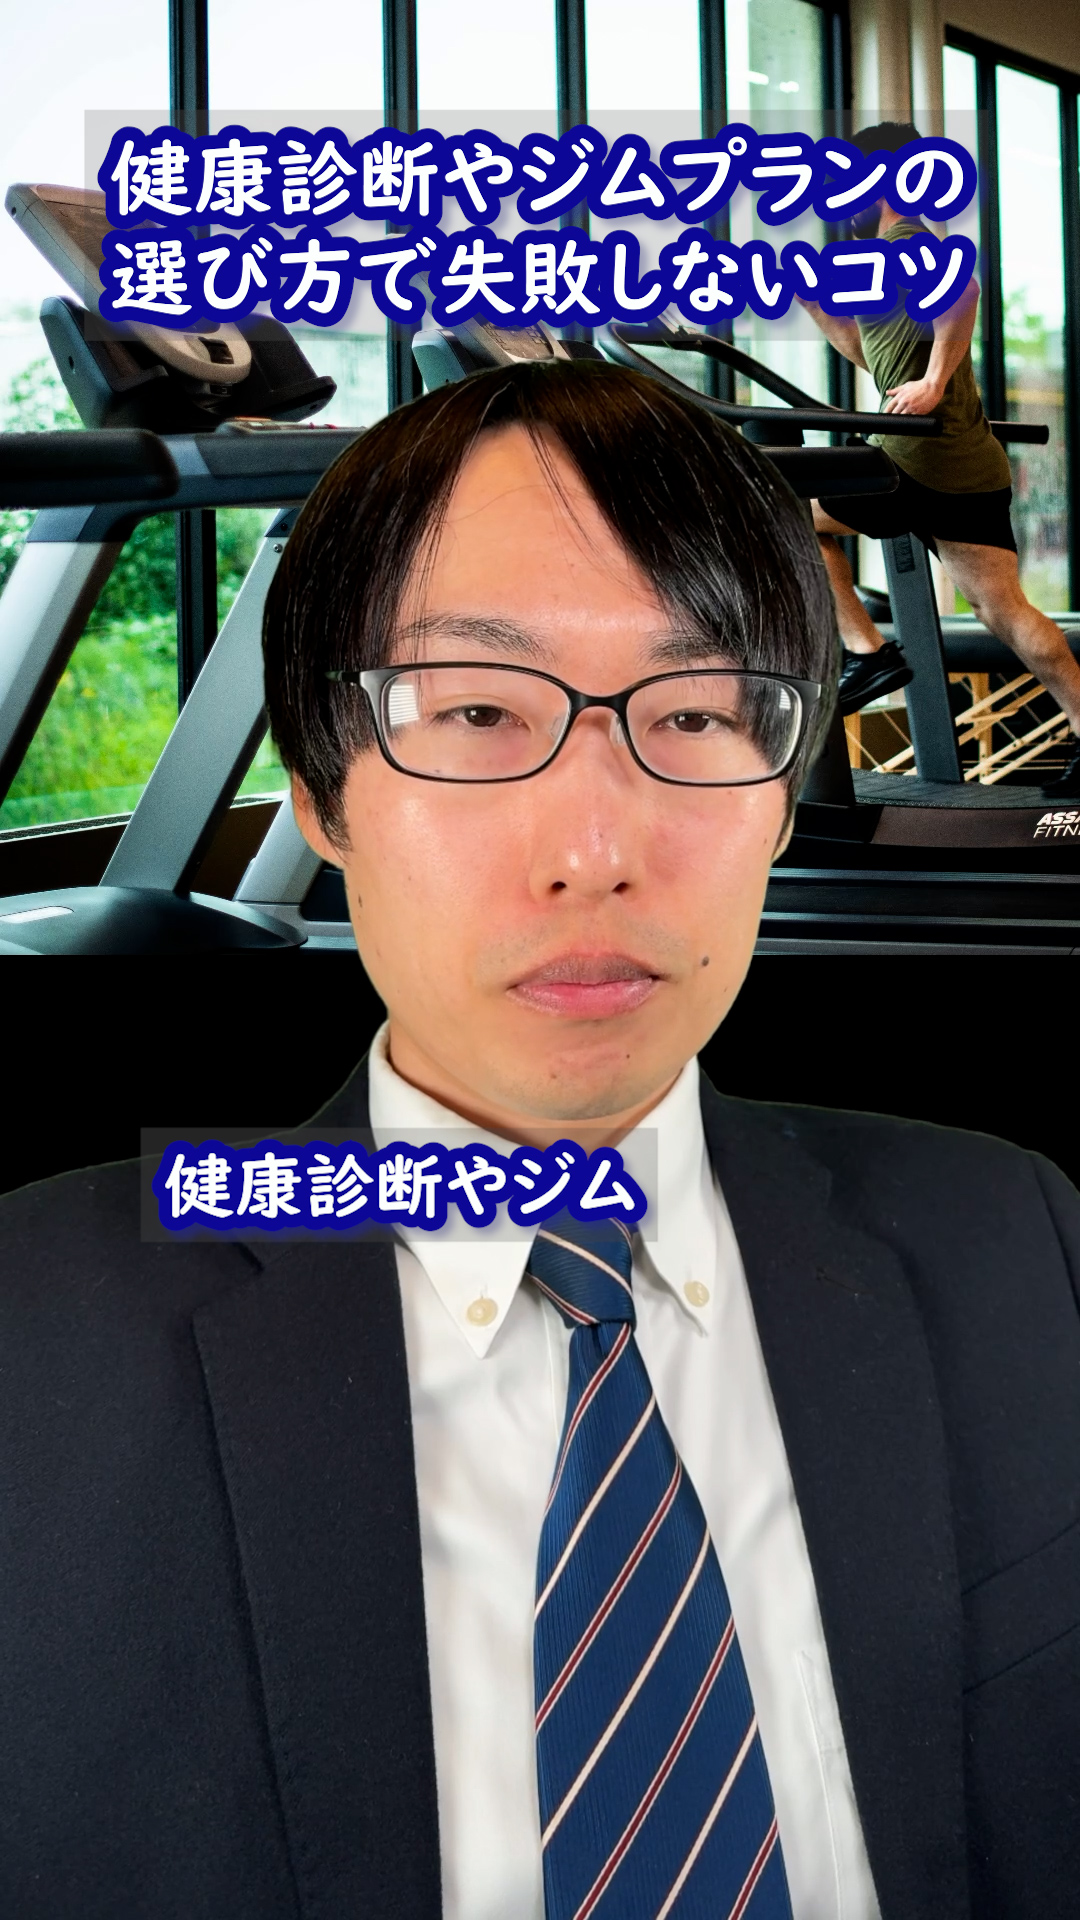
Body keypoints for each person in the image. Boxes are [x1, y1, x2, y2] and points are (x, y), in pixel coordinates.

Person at [1, 358, 1078, 1920]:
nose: (592, 850)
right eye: (477, 712)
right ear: (319, 791)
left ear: (784, 796)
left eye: (695, 712)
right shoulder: (34, 1331)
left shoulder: (1016, 1242)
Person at [799, 119, 1080, 796]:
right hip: (965, 462)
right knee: (1004, 611)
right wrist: (820, 310)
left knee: (786, 514)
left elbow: (965, 294)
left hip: (916, 457)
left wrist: (931, 382)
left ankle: (867, 652)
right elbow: (875, 356)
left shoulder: (906, 240)